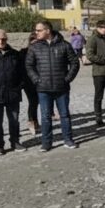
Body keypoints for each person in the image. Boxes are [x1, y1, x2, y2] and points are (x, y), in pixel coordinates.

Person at [25, 21, 80, 151]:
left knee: (64, 115)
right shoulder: (34, 47)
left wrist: (67, 79)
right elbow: (29, 65)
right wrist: (36, 80)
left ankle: (68, 139)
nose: (36, 33)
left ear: (47, 30)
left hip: (62, 87)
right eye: (36, 30)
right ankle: (46, 143)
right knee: (45, 116)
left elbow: (74, 63)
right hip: (43, 88)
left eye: (39, 30)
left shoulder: (64, 45)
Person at [85, 20, 105, 126]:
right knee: (99, 96)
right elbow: (90, 55)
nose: (104, 29)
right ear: (97, 28)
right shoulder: (93, 39)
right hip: (99, 73)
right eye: (102, 27)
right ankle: (98, 117)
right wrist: (103, 60)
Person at [19, 31, 39, 135]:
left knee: (37, 101)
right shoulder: (23, 52)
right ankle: (32, 121)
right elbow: (20, 68)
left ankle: (35, 121)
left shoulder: (42, 51)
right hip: (28, 81)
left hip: (40, 80)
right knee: (33, 101)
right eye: (33, 42)